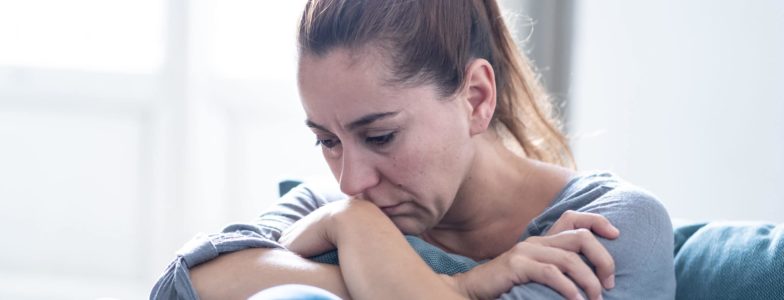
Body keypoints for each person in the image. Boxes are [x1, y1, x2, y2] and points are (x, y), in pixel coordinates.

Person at [151, 0, 675, 299]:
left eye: (380, 136)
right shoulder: (335, 210)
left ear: (475, 98)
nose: (351, 182)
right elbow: (181, 287)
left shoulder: (609, 228)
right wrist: (466, 284)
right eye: (328, 141)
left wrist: (360, 253)